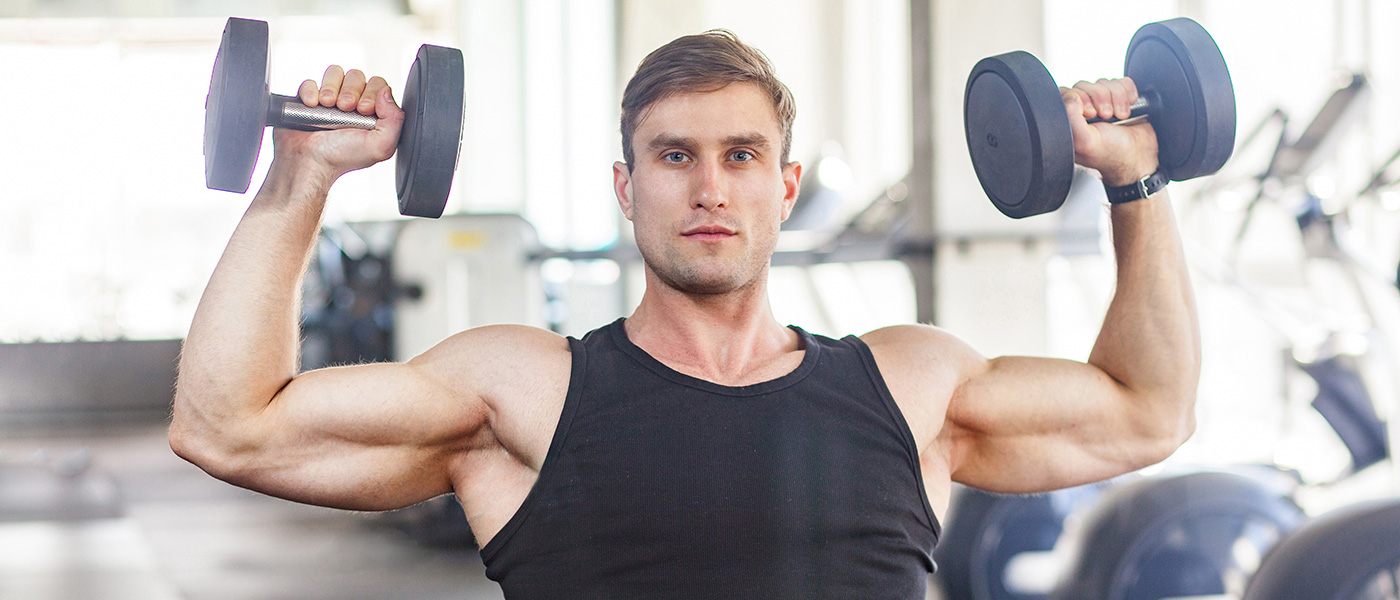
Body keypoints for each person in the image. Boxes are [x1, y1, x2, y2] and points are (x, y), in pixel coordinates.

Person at [172, 29, 1198, 598]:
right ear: (626, 189)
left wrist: (1135, 182)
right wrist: (300, 177)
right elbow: (228, 426)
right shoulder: (524, 393)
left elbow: (1148, 410)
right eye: (675, 156)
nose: (709, 188)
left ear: (784, 188)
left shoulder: (911, 386)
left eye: (740, 156)